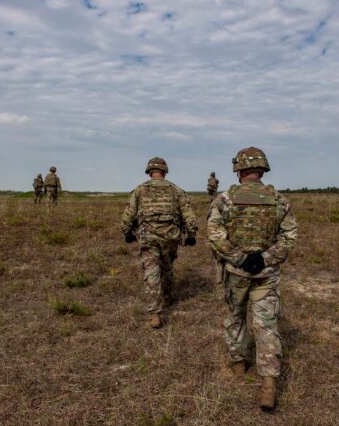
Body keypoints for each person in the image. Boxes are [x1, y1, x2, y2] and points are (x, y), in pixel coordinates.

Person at [208, 147, 298, 411]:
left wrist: (238, 258)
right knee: (266, 326)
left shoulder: (224, 199)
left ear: (239, 170)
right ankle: (269, 382)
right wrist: (267, 258)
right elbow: (289, 236)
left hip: (237, 274)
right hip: (266, 276)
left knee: (236, 316)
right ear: (262, 169)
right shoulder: (278, 200)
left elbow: (214, 234)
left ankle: (238, 362)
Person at [120, 157, 198, 329]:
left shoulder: (140, 190)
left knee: (152, 271)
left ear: (149, 172)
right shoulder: (176, 190)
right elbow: (188, 215)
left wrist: (127, 233)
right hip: (170, 237)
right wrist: (191, 234)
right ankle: (167, 298)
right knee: (167, 266)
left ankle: (155, 313)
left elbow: (128, 215)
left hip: (148, 237)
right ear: (164, 171)